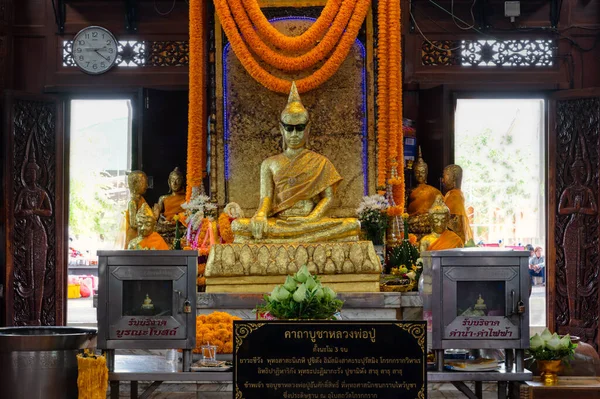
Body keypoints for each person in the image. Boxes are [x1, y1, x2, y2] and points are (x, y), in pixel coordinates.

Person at [231, 82, 360, 243]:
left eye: (299, 128)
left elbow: (328, 198)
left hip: (311, 222)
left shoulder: (321, 162)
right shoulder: (269, 164)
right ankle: (297, 238)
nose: (294, 134)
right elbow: (266, 198)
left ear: (308, 129)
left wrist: (311, 218)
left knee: (352, 225)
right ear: (281, 129)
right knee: (238, 226)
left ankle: (285, 240)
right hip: (280, 222)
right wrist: (260, 215)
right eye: (289, 128)